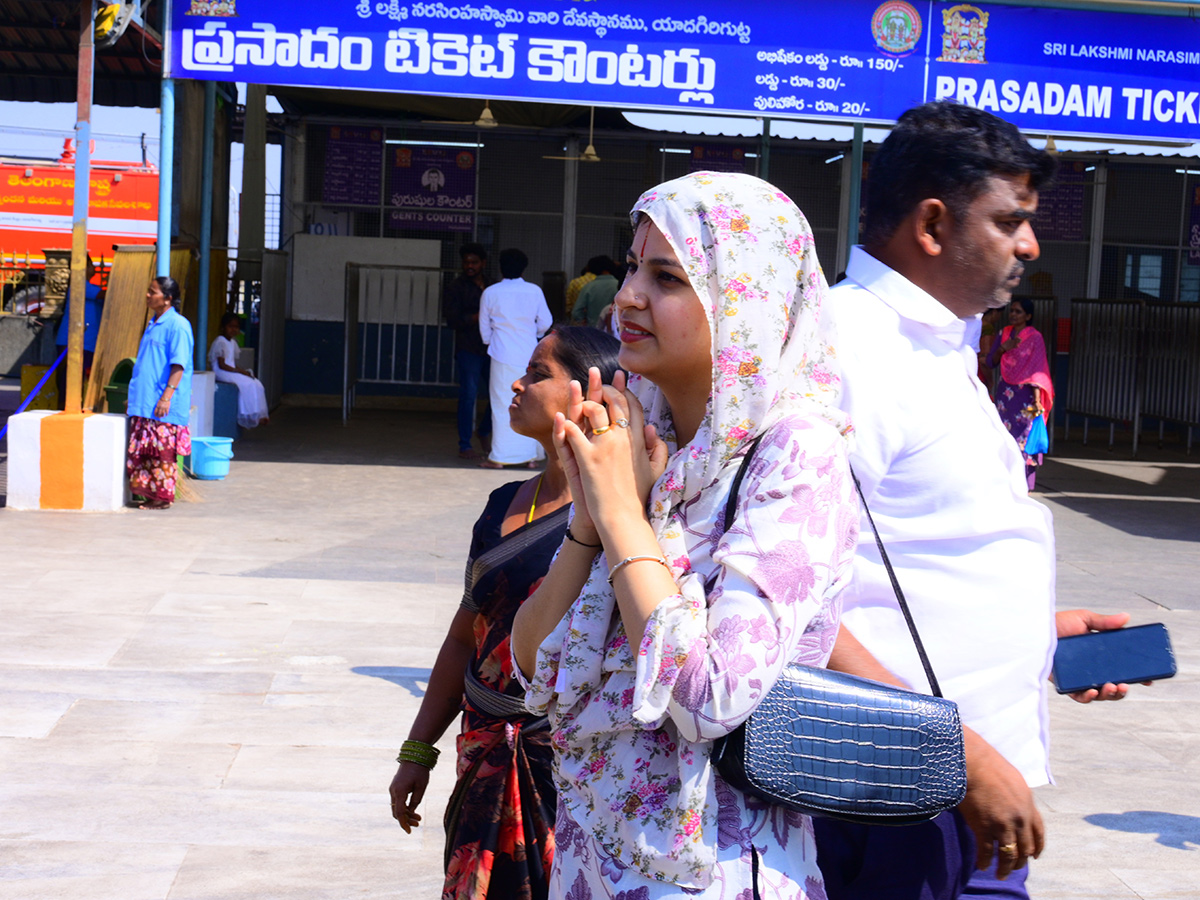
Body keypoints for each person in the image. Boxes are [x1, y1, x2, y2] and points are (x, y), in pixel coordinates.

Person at [511, 172, 858, 898]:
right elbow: (532, 666)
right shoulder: (650, 438)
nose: (627, 294)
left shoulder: (795, 454)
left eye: (665, 276)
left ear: (745, 301)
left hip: (709, 873)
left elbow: (711, 697)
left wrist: (624, 517)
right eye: (633, 266)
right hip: (592, 858)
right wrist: (591, 515)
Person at [820, 101, 1133, 900]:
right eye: (1011, 221)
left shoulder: (932, 344)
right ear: (931, 224)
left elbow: (909, 557)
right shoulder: (854, 350)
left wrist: (1038, 637)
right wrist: (958, 757)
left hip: (946, 786)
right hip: (897, 797)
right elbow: (781, 600)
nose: (1031, 245)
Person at [389, 326, 623, 900]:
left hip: (563, 768)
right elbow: (464, 637)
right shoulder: (502, 504)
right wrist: (418, 750)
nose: (517, 383)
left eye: (539, 373)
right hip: (483, 747)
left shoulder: (620, 518)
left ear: (588, 391)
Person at [479, 248, 553, 469]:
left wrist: (495, 339)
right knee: (531, 404)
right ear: (524, 267)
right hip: (529, 355)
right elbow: (545, 322)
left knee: (502, 404)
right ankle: (531, 456)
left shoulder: (491, 292)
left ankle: (500, 457)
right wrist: (532, 334)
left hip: (501, 355)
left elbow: (484, 331)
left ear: (501, 266)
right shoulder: (534, 291)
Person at [126, 276, 193, 510]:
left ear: (167, 299)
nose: (147, 295)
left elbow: (179, 366)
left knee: (160, 452)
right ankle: (149, 494)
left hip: (161, 404)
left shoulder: (178, 325)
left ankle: (161, 498)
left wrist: (166, 397)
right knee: (144, 452)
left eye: (152, 292)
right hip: (145, 402)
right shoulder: (153, 323)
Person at [987, 298, 1054, 489]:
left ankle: (1024, 483)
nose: (1013, 314)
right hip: (1005, 394)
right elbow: (991, 362)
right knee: (1003, 434)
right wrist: (1002, 348)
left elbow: (1037, 368)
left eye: (1018, 312)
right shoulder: (1004, 333)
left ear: (1028, 316)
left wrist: (1037, 399)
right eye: (1012, 311)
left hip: (1027, 395)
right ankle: (1003, 480)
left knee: (1024, 436)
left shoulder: (1035, 337)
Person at [445, 243, 493, 459]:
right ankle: (465, 444)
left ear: (483, 263)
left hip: (493, 349)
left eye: (473, 262)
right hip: (469, 348)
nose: (469, 266)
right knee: (468, 395)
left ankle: (483, 431)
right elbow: (453, 320)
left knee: (499, 394)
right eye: (466, 262)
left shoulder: (493, 286)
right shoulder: (456, 287)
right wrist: (480, 315)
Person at [54, 255, 104, 409]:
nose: (94, 267)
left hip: (86, 341)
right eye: (91, 265)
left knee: (77, 380)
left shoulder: (88, 286)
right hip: (75, 341)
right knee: (69, 382)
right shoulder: (81, 286)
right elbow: (104, 294)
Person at [209, 312, 269, 428]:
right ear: (223, 327)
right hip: (222, 372)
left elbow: (232, 362)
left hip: (231, 370)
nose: (233, 330)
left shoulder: (232, 342)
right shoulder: (220, 341)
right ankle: (247, 414)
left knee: (257, 384)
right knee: (247, 384)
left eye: (236, 327)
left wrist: (242, 371)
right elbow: (222, 365)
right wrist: (240, 372)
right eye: (230, 326)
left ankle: (258, 414)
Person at [570, 256, 619, 327]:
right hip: (614, 329)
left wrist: (584, 322)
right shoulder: (619, 285)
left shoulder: (588, 287)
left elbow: (576, 312)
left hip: (593, 330)